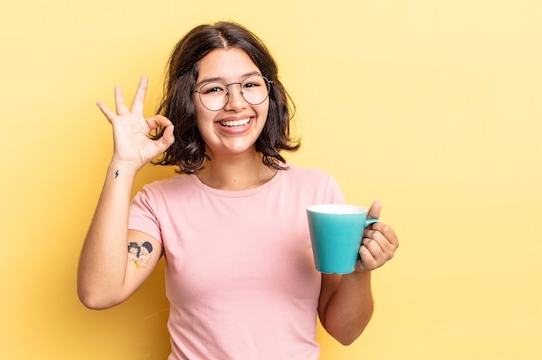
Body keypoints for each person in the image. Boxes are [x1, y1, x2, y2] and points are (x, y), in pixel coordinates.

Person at [77, 21, 399, 360]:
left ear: (269, 94)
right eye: (214, 89)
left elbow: (344, 331)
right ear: (189, 102)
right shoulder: (159, 204)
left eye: (250, 84)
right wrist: (124, 164)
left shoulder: (317, 191)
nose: (236, 103)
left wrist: (360, 273)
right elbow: (99, 293)